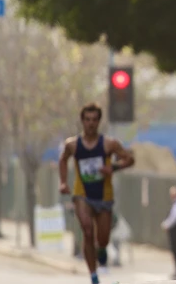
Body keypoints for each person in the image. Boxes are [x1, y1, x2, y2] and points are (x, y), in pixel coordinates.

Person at [59, 102, 135, 284]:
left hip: (104, 195)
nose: (90, 123)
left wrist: (113, 168)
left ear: (99, 121)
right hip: (82, 193)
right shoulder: (73, 145)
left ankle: (101, 249)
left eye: (94, 119)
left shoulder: (109, 144)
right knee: (86, 230)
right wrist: (63, 183)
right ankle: (93, 275)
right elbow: (63, 160)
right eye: (87, 119)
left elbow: (130, 159)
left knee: (102, 239)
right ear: (82, 121)